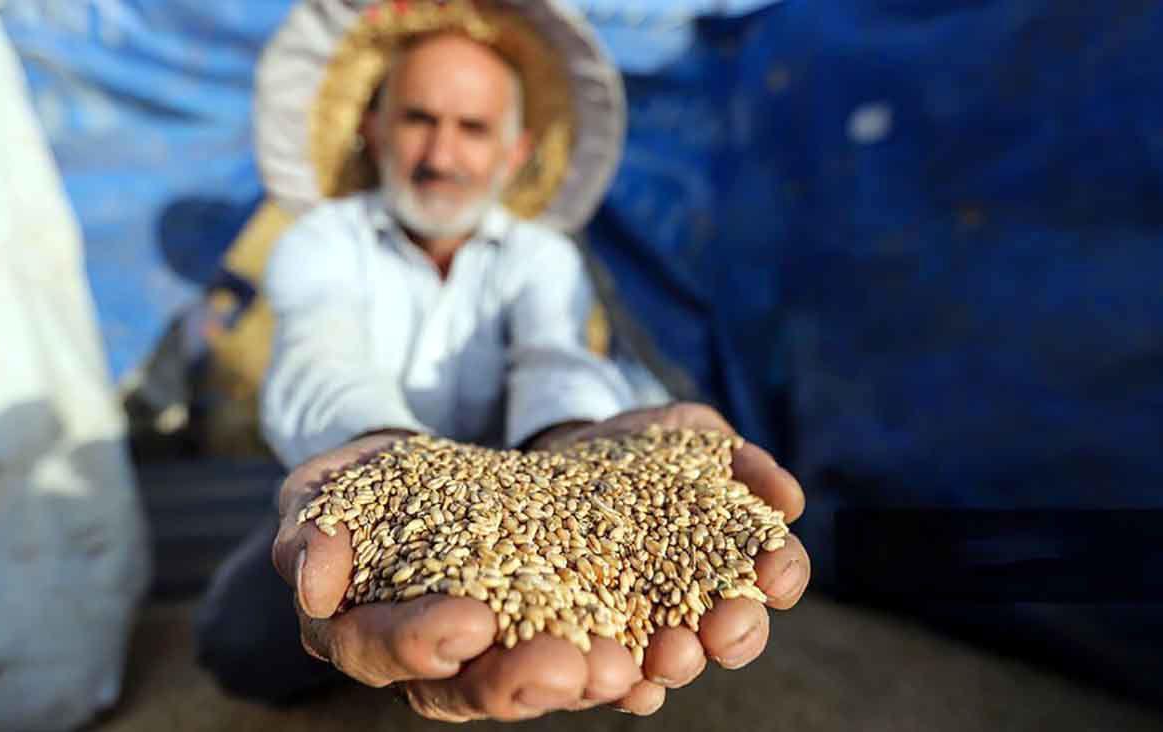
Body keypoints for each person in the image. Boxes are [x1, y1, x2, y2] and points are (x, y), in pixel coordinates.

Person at [195, 0, 810, 721]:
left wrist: (573, 432)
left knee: (565, 640)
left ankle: (487, 658)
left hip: (533, 497)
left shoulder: (538, 256)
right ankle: (385, 668)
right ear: (373, 127)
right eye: (418, 118)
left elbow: (554, 352)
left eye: (473, 128)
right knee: (237, 641)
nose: (442, 155)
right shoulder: (323, 242)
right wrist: (382, 452)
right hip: (355, 492)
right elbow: (318, 358)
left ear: (514, 150)